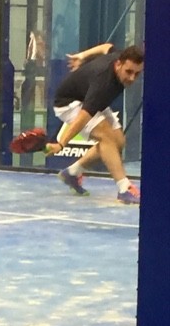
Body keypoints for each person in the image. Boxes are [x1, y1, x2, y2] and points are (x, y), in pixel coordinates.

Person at [48, 41, 144, 204]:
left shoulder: (118, 55)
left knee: (119, 142)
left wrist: (82, 56)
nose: (132, 78)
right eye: (128, 72)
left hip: (90, 99)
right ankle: (124, 188)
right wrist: (61, 143)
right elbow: (83, 117)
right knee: (106, 137)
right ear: (118, 64)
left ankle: (72, 173)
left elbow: (106, 47)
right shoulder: (103, 83)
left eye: (137, 73)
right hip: (68, 103)